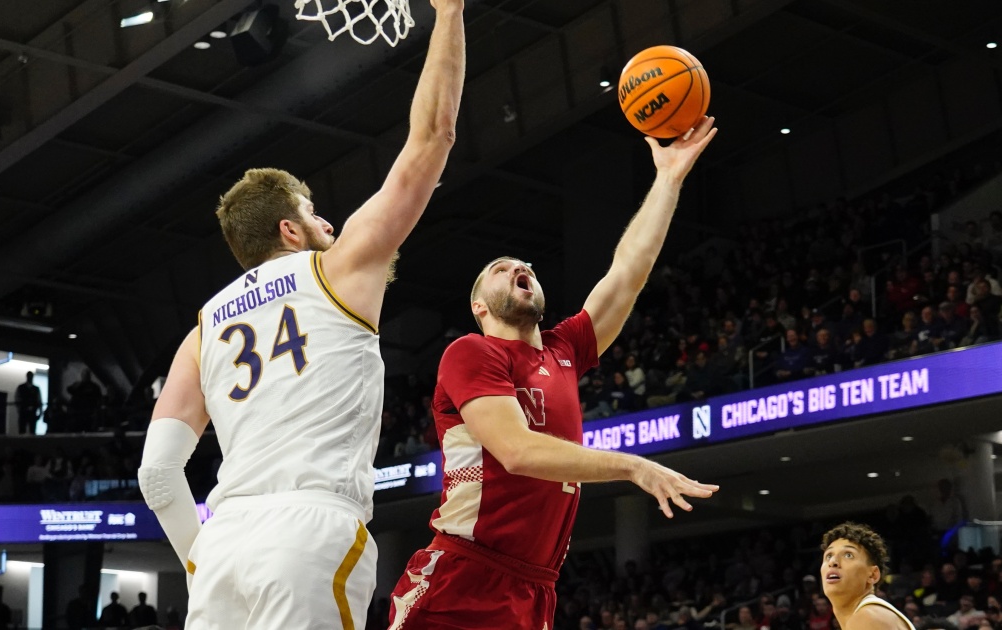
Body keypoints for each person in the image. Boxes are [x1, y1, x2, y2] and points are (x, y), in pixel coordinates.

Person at [137, 2, 465, 627]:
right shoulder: (336, 269)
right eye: (315, 214)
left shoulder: (201, 331)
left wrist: (203, 562)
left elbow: (158, 475)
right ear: (290, 230)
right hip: (309, 528)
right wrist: (448, 14)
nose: (329, 224)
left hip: (224, 542)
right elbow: (433, 138)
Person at [387, 117, 721, 629]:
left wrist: (668, 179)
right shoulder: (471, 352)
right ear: (479, 305)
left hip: (535, 586)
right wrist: (633, 465)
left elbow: (628, 272)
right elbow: (517, 452)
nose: (519, 266)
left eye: (526, 267)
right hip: (465, 576)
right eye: (501, 268)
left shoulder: (564, 349)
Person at [820, 522, 914, 630]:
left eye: (848, 555)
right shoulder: (868, 615)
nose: (833, 562)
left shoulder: (868, 616)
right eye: (829, 556)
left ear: (873, 575)